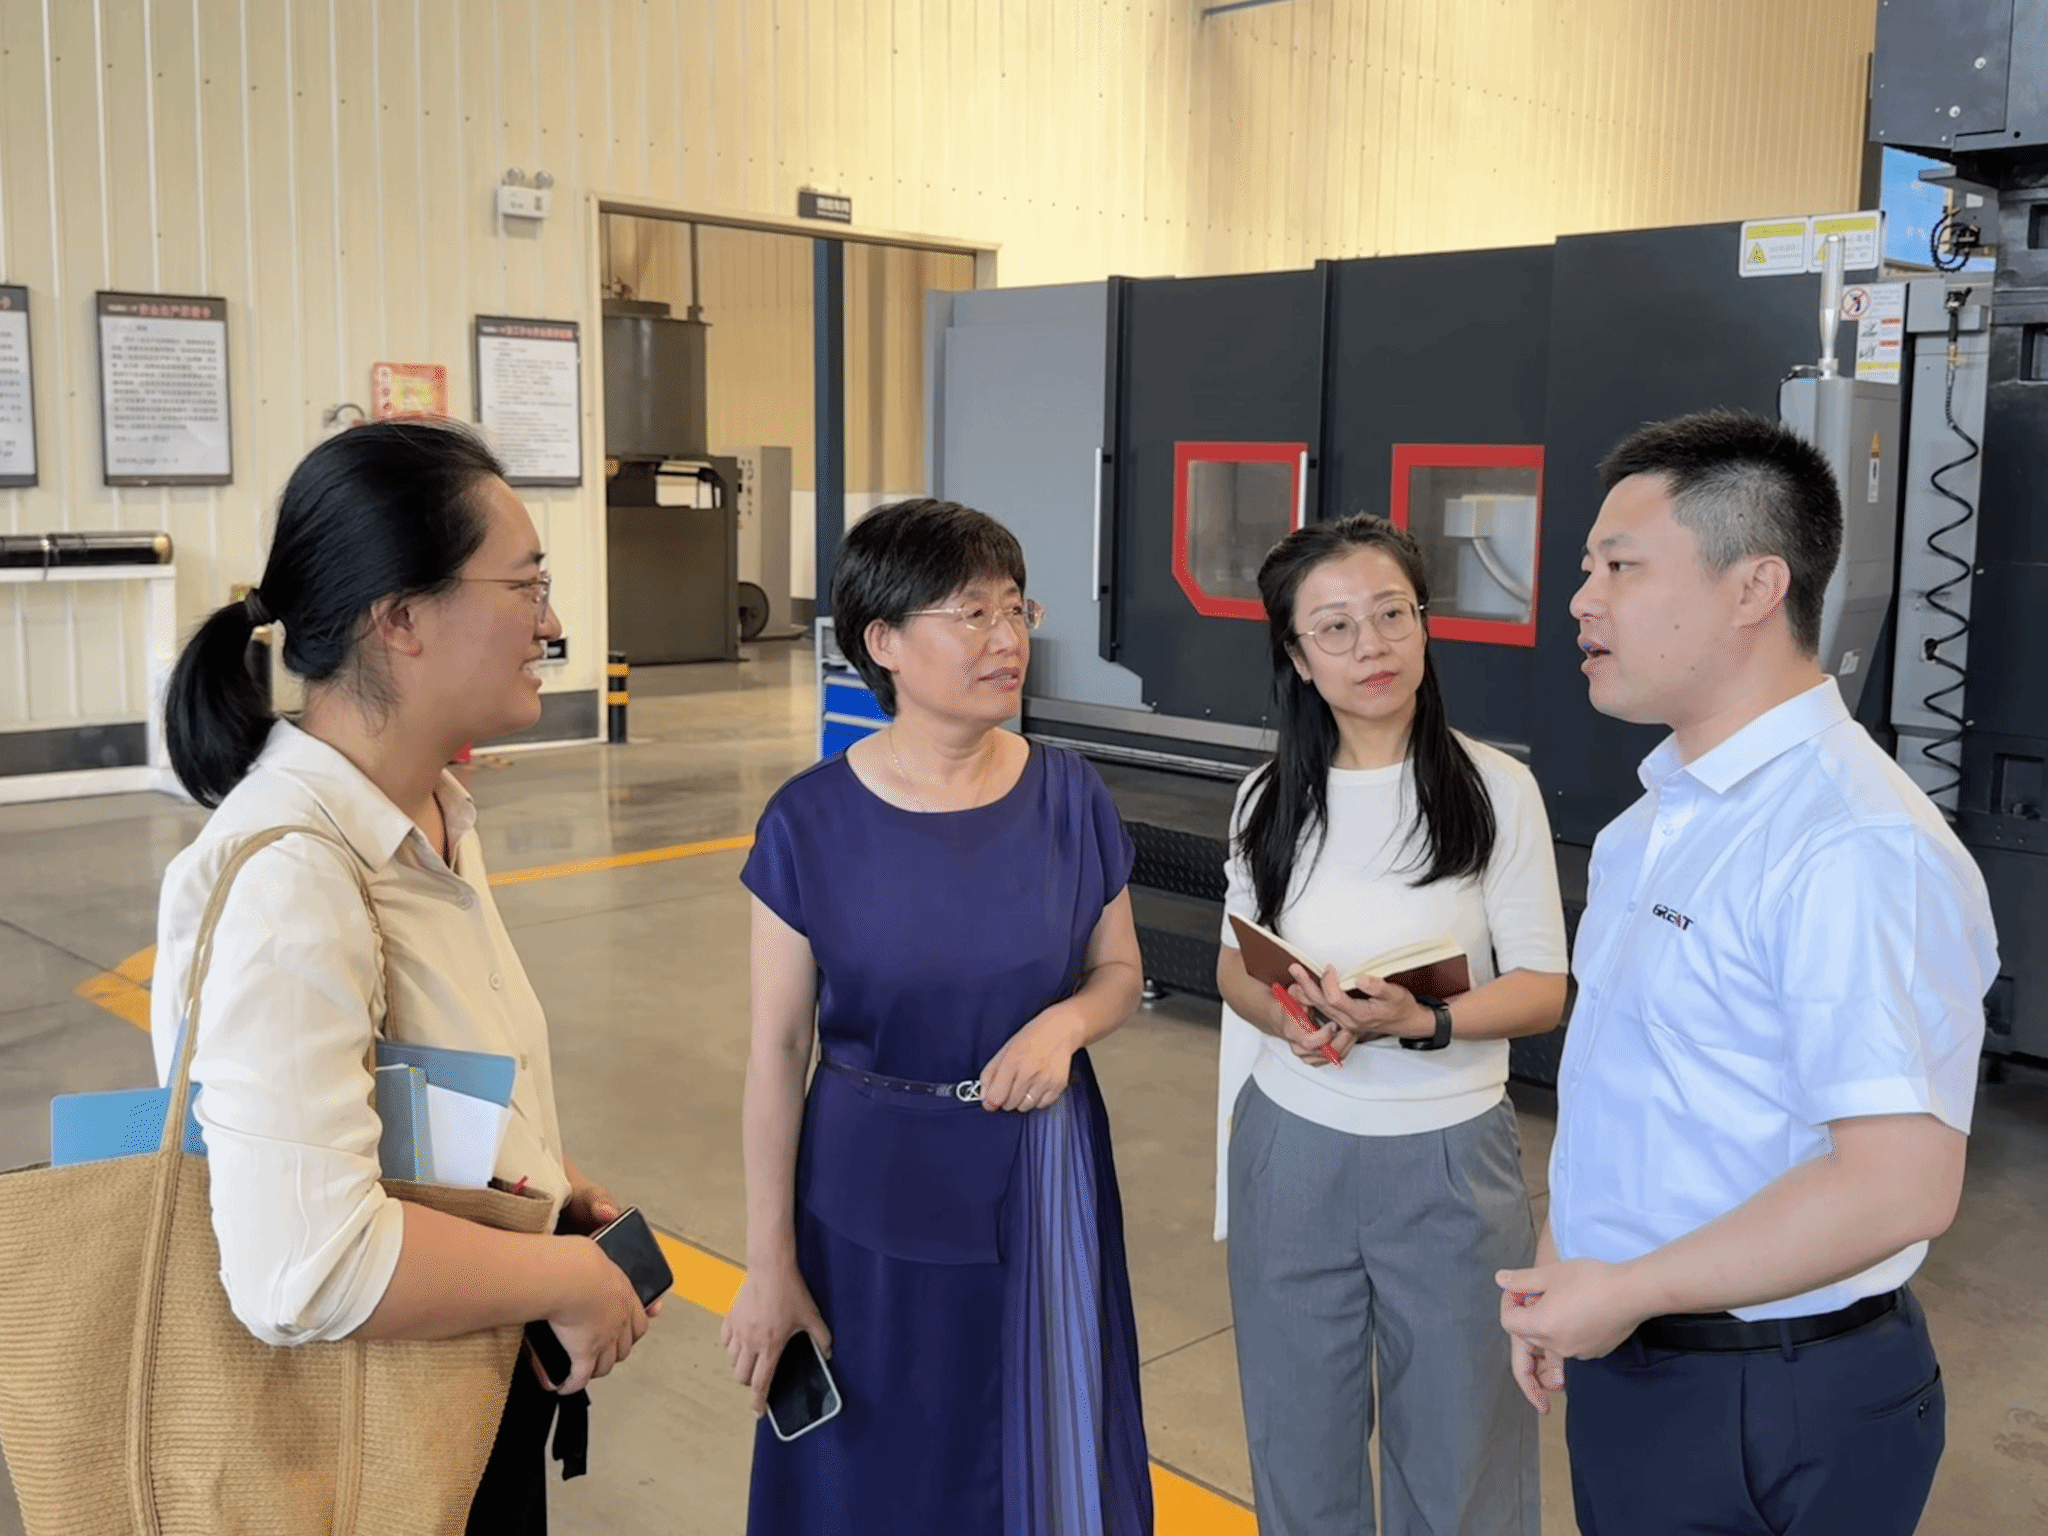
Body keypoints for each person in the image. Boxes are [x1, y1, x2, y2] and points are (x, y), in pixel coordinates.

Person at [1497, 411, 1999, 1535]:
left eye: (1620, 567)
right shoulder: (1651, 827)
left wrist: (1624, 1290)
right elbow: (1645, 1089)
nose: (1581, 600)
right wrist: (1570, 1262)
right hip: (1637, 1353)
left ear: (1753, 587)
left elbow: (1899, 1186)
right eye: (1587, 568)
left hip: (1773, 1395)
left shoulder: (1851, 845)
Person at [154, 421, 656, 1534]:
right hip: (360, 1449)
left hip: (457, 1400)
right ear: (400, 619)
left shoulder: (424, 818)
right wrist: (567, 1281)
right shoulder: (293, 877)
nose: (552, 624)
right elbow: (305, 1264)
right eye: (525, 587)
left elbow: (416, 1086)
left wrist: (545, 1183)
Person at [720, 498, 1153, 1536]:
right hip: (866, 1191)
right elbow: (778, 1051)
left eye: (1015, 607)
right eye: (971, 614)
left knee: (1037, 1446)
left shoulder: (1070, 795)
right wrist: (769, 1264)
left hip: (1040, 1178)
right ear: (883, 643)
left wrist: (1065, 1027)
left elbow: (1117, 970)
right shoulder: (808, 821)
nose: (1007, 639)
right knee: (874, 1467)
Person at [1213, 514, 1568, 1536]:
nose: (1369, 645)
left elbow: (1543, 987)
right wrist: (1288, 1019)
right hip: (1290, 1150)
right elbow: (1237, 962)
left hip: (1449, 1160)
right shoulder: (1267, 798)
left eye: (1390, 614)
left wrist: (1425, 1018)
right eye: (1334, 627)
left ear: (1422, 624)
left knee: (1463, 1455)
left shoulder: (1493, 789)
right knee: (1298, 1444)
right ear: (1296, 656)